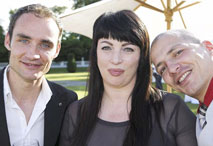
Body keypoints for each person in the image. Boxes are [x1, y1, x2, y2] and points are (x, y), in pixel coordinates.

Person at [59, 10, 197, 146]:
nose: (116, 59)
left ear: (142, 57)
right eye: (106, 47)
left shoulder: (170, 109)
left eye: (128, 49)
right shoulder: (76, 113)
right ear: (95, 53)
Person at [0, 4, 78, 146]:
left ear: (57, 50)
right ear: (8, 40)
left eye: (45, 45)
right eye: (24, 41)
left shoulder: (68, 102)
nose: (33, 55)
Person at [150, 29, 213, 146]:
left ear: (209, 48)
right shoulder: (204, 113)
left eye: (178, 53)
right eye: (162, 69)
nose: (172, 69)